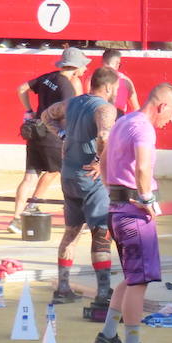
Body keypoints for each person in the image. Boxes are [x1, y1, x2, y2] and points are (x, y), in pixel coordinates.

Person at [95, 84, 172, 343]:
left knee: (131, 277)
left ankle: (108, 335)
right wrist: (147, 200)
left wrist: (112, 193)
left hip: (117, 209)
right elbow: (143, 169)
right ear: (162, 106)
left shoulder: (124, 121)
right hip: (134, 212)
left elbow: (105, 160)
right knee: (139, 281)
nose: (170, 121)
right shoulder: (144, 128)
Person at [40, 66, 118, 307]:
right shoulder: (105, 108)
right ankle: (103, 291)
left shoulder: (72, 103)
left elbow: (45, 116)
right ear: (108, 87)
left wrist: (63, 135)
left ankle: (63, 287)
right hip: (90, 178)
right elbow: (104, 136)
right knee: (101, 233)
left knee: (72, 231)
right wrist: (99, 161)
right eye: (114, 88)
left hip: (69, 175)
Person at [11, 48, 87, 233]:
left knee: (29, 177)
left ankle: (15, 220)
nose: (85, 70)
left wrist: (29, 110)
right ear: (76, 67)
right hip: (53, 135)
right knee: (69, 174)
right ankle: (77, 218)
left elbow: (21, 89)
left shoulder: (48, 78)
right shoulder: (67, 86)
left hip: (36, 132)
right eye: (84, 66)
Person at [100, 48, 139, 116]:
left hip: (98, 117)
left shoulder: (92, 78)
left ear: (103, 61)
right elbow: (136, 108)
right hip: (118, 119)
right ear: (117, 64)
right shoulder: (126, 81)